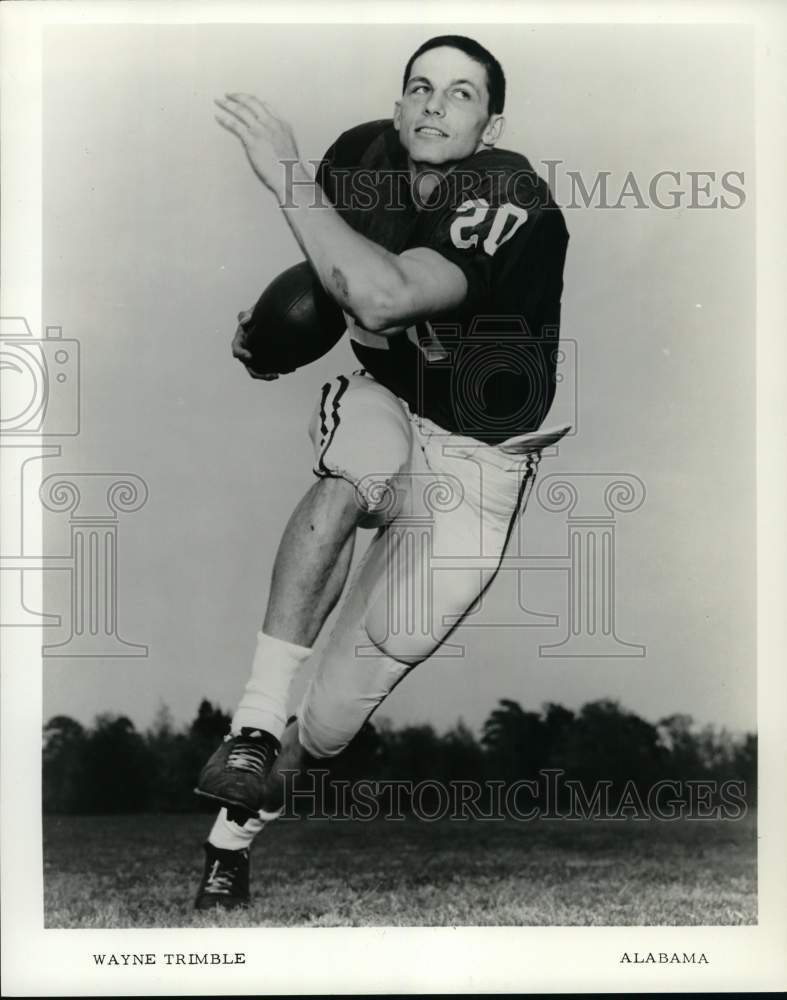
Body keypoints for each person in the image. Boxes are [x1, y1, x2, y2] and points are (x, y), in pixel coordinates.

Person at [194, 34, 570, 909]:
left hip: (481, 463)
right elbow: (337, 273)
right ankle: (251, 725)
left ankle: (231, 838)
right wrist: (270, 331)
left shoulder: (508, 195)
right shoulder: (361, 159)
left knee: (326, 725)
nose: (434, 106)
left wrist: (282, 173)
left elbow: (388, 293)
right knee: (354, 467)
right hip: (392, 405)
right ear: (398, 104)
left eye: (461, 94)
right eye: (419, 88)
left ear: (491, 123)